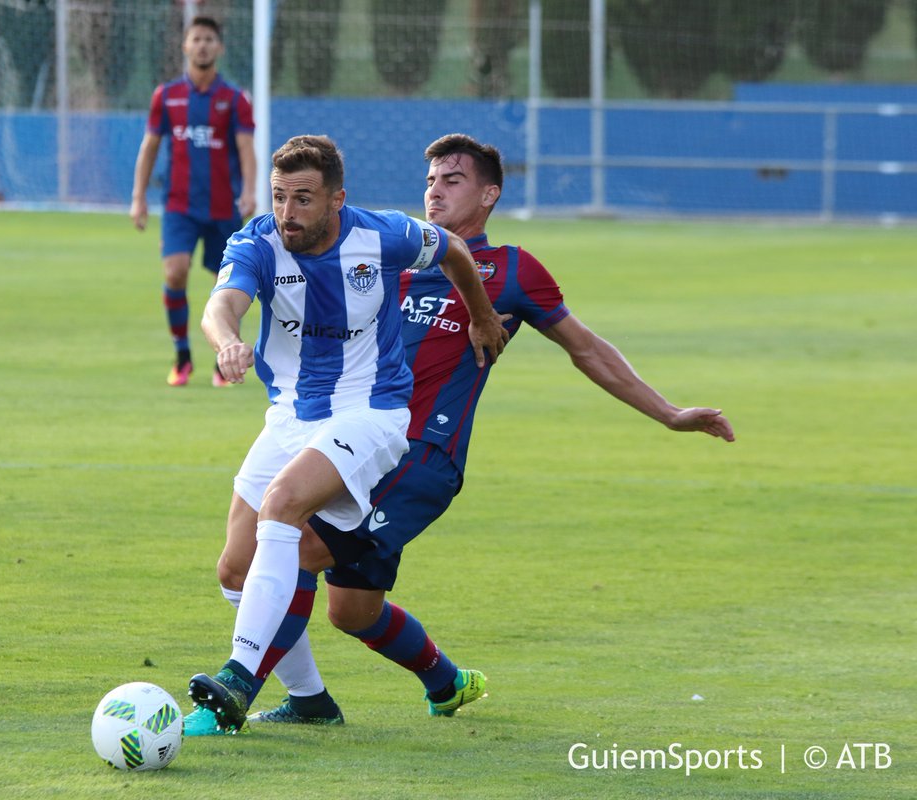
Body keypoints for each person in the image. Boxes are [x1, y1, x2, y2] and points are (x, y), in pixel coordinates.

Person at [185, 133, 736, 735]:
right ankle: (446, 682)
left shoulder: (513, 271)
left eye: (452, 180)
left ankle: (243, 690)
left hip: (420, 458)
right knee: (351, 609)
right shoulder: (386, 255)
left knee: (298, 547)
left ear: (489, 193)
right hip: (339, 436)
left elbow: (587, 349)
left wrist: (669, 413)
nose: (435, 190)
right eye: (430, 180)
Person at [185, 134, 511, 734]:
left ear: (337, 199)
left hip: (372, 412)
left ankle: (238, 674)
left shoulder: (384, 235)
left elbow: (456, 250)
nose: (288, 213)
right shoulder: (258, 240)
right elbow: (220, 305)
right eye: (280, 197)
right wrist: (226, 340)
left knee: (282, 509)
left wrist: (482, 315)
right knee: (234, 568)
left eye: (304, 199)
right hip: (289, 414)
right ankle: (311, 701)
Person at [130, 15, 256, 387]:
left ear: (219, 48)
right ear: (185, 45)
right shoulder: (166, 96)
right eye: (196, 39)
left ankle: (224, 357)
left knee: (229, 285)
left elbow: (246, 149)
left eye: (209, 40)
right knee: (175, 271)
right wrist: (138, 197)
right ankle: (182, 355)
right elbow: (150, 146)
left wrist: (249, 190)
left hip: (222, 208)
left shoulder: (234, 99)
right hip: (179, 205)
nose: (202, 45)